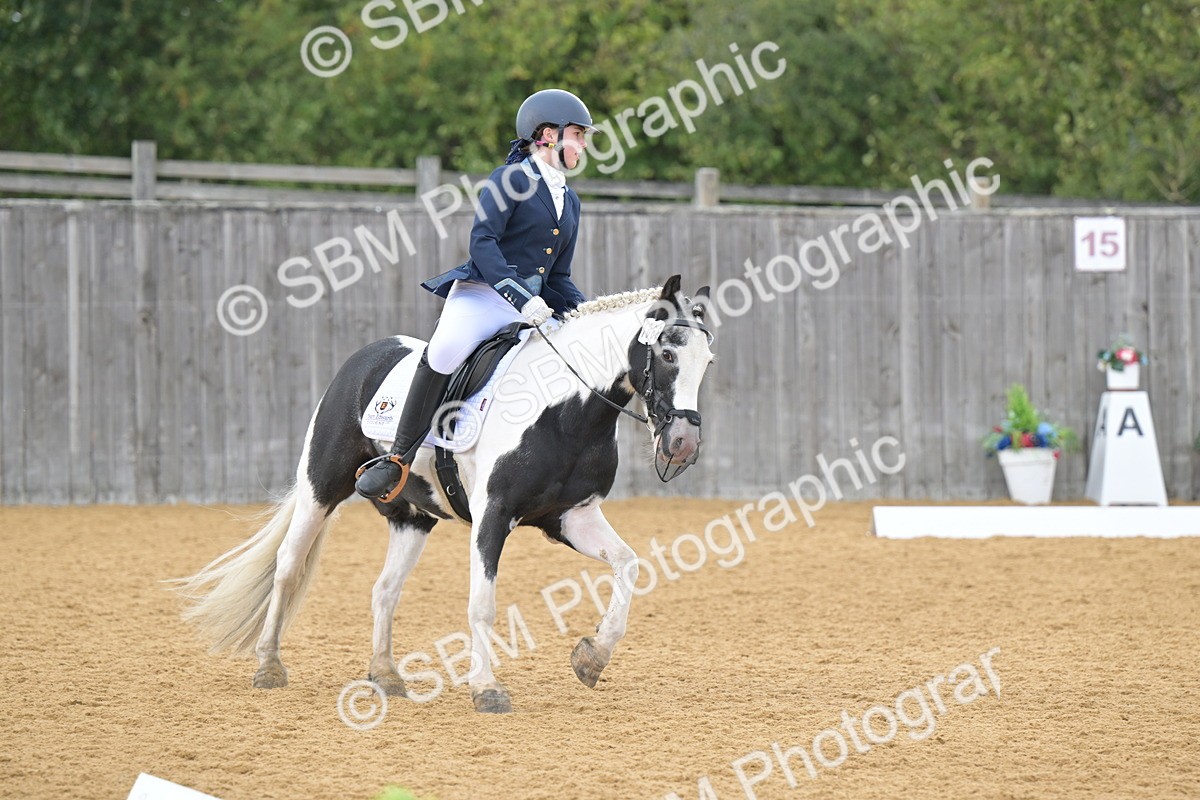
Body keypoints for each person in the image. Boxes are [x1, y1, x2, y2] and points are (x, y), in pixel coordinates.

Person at [355, 88, 594, 503]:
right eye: (577, 134)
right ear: (547, 135)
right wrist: (521, 297)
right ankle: (398, 458)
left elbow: (558, 276)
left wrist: (587, 312)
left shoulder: (570, 201)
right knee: (444, 350)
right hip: (484, 296)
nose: (584, 145)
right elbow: (483, 244)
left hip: (534, 308)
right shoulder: (511, 180)